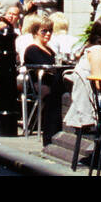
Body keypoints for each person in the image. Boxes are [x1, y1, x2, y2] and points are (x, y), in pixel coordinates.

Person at [22, 17, 64, 145]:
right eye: (44, 31)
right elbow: (46, 66)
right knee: (56, 95)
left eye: (50, 31)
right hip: (41, 85)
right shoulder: (32, 49)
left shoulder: (49, 49)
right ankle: (50, 137)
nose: (48, 34)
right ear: (35, 32)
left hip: (52, 83)